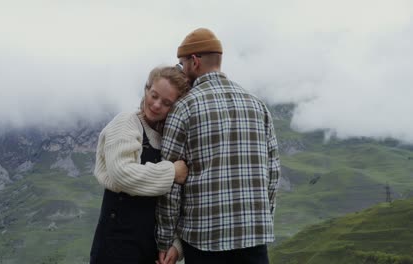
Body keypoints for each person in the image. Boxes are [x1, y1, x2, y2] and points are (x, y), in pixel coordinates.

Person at [156, 28, 281, 264]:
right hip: (254, 237)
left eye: (182, 64)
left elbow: (170, 183)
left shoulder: (184, 108)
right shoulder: (257, 106)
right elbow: (273, 174)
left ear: (194, 61)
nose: (182, 70)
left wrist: (165, 240)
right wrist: (261, 220)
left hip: (204, 240)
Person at [90, 65, 190, 264]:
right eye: (154, 95)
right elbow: (122, 173)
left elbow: (177, 201)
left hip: (150, 249)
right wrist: (172, 171)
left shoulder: (168, 139)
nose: (156, 105)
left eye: (166, 103)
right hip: (115, 248)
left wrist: (176, 246)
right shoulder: (126, 123)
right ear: (146, 89)